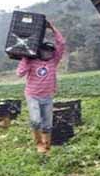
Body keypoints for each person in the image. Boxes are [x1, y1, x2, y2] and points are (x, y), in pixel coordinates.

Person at [16, 21, 65, 154]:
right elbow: (19, 73)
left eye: (50, 51)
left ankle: (46, 147)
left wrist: (53, 28)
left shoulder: (53, 61)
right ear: (39, 51)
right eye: (45, 51)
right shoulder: (32, 61)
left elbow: (61, 44)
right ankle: (38, 143)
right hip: (33, 96)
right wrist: (25, 58)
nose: (48, 53)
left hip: (47, 96)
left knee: (47, 125)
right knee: (36, 121)